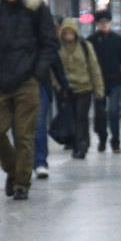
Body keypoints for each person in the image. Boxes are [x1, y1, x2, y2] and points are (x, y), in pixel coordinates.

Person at [0, 0, 58, 200]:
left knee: (24, 135)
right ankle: (13, 170)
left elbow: (49, 43)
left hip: (26, 80)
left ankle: (22, 184)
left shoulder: (37, 9)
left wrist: (37, 72)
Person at [88, 10, 121, 153]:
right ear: (96, 24)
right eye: (101, 23)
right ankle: (103, 138)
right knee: (100, 113)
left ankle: (115, 141)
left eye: (106, 22)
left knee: (114, 112)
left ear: (110, 23)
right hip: (98, 83)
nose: (104, 25)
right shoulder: (91, 41)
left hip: (115, 81)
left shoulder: (117, 40)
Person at [57, 18, 104, 160]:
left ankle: (82, 144)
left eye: (71, 33)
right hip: (68, 89)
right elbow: (55, 69)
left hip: (85, 88)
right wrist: (58, 86)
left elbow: (94, 68)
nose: (68, 36)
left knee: (81, 117)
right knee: (71, 118)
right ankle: (77, 143)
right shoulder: (58, 49)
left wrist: (99, 89)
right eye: (66, 34)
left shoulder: (85, 46)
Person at [33, 22, 71, 179]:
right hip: (18, 85)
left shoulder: (45, 42)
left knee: (39, 124)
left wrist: (65, 86)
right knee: (21, 127)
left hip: (40, 84)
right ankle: (24, 161)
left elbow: (56, 65)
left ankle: (40, 161)